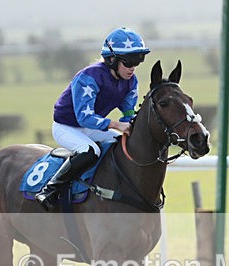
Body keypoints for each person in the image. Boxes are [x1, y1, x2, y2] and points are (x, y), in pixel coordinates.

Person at [35, 27, 150, 210]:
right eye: (129, 61)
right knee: (90, 151)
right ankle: (49, 190)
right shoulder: (89, 77)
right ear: (112, 60)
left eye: (138, 60)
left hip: (90, 126)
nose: (133, 67)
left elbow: (129, 112)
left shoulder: (131, 81)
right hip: (67, 126)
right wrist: (115, 124)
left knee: (121, 143)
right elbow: (84, 118)